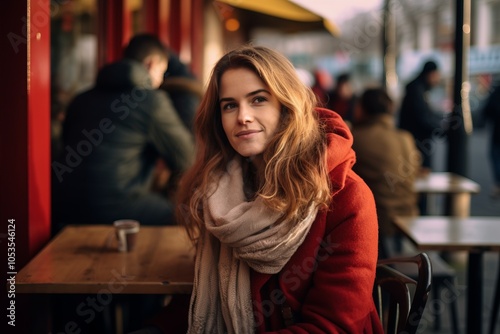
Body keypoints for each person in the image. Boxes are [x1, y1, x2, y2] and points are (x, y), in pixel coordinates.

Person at [170, 45, 383, 333]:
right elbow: (206, 296)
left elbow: (334, 326)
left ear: (286, 107)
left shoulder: (347, 197)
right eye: (229, 105)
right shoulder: (220, 193)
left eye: (258, 100)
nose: (242, 116)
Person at [52, 33, 194, 231]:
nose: (161, 81)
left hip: (63, 206)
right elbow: (187, 159)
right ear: (151, 64)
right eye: (162, 72)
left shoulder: (81, 98)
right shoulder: (152, 101)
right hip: (117, 209)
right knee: (184, 215)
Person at [351, 88, 421, 258]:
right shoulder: (405, 137)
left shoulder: (355, 138)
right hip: (408, 216)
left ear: (361, 109)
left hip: (378, 221)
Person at [398, 60, 445, 169]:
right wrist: (440, 128)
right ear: (431, 74)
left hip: (415, 140)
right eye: (436, 75)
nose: (437, 79)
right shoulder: (417, 90)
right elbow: (423, 117)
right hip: (417, 141)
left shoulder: (418, 88)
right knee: (421, 172)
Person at [482, 82, 500, 198]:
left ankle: (498, 184)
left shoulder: (497, 91)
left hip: (498, 132)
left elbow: (487, 109)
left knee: (495, 157)